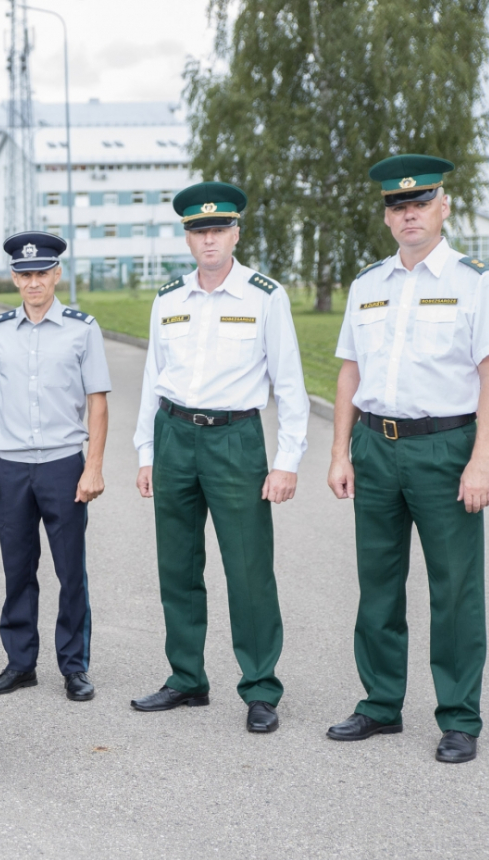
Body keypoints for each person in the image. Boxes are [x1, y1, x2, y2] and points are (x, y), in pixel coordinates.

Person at [324, 155, 489, 764]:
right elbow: (351, 371)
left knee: (454, 589)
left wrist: (481, 461)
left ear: (444, 207)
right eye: (398, 207)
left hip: (445, 448)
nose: (409, 215)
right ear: (387, 217)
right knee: (377, 585)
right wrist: (340, 452)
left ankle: (459, 718)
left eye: (421, 203)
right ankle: (381, 704)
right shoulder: (368, 285)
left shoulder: (474, 281)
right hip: (375, 447)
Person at [129, 181, 309, 734]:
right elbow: (152, 381)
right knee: (177, 567)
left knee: (248, 569)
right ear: (188, 238)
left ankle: (260, 688)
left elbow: (291, 385)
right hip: (176, 435)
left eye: (219, 229)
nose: (209, 240)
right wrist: (146, 451)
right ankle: (186, 677)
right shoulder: (168, 299)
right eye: (198, 231)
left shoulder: (264, 296)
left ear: (236, 232)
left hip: (236, 440)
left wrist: (287, 461)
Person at [0, 231, 111, 701]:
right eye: (24, 275)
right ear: (14, 278)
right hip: (11, 467)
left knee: (70, 570)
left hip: (62, 465)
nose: (34, 283)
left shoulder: (82, 328)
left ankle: (74, 666)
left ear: (57, 274)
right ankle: (20, 663)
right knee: (18, 568)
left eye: (42, 274)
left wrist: (93, 466)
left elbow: (97, 402)